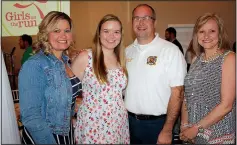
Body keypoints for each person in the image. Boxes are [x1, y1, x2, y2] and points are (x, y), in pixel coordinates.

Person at [125, 4, 187, 144]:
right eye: (136, 18)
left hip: (157, 125)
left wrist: (167, 129)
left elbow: (178, 93)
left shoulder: (170, 51)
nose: (140, 22)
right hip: (128, 123)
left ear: (155, 22)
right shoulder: (127, 51)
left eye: (146, 18)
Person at [18, 11, 82, 144]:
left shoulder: (66, 61)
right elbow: (31, 117)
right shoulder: (34, 65)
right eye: (56, 30)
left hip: (66, 131)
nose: (63, 35)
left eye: (67, 30)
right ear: (46, 34)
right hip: (44, 136)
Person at [72, 14, 129, 144]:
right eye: (106, 31)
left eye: (116, 32)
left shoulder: (121, 59)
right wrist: (70, 117)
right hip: (93, 125)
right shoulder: (86, 57)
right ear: (98, 33)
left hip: (118, 124)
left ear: (121, 35)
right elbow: (67, 91)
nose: (111, 36)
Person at [180, 13, 236, 144]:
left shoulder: (229, 58)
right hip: (192, 132)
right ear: (196, 35)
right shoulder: (195, 59)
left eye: (212, 31)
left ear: (220, 33)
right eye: (202, 31)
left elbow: (227, 105)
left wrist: (196, 128)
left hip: (218, 132)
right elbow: (187, 96)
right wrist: (184, 125)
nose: (206, 36)